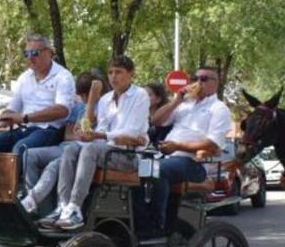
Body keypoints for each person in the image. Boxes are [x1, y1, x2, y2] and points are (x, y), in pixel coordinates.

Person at [33, 55, 149, 230]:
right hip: (106, 150)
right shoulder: (105, 99)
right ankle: (63, 206)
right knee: (71, 148)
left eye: (119, 72)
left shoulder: (140, 95)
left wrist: (98, 135)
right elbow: (101, 130)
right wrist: (90, 135)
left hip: (127, 155)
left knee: (90, 150)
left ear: (131, 74)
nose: (113, 77)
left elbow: (131, 133)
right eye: (110, 72)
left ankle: (75, 207)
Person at [149, 66, 232, 231]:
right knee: (135, 168)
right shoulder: (184, 103)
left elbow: (212, 144)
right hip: (166, 157)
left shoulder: (219, 108)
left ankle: (156, 222)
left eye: (204, 79)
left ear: (216, 83)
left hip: (193, 163)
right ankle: (140, 216)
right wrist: (177, 100)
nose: (198, 82)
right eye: (196, 78)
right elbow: (156, 121)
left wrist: (177, 146)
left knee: (157, 170)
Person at [0, 34, 75, 156]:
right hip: (24, 129)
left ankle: (16, 176)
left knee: (20, 149)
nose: (30, 58)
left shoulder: (63, 76)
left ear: (48, 53)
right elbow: (13, 108)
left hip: (49, 130)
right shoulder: (24, 77)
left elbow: (62, 110)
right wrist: (7, 116)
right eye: (26, 54)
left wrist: (25, 118)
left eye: (35, 53)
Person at [20, 72, 99, 207]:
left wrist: (83, 133)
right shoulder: (78, 107)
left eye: (86, 95)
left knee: (55, 165)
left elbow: (89, 132)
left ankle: (32, 202)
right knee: (28, 154)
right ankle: (32, 203)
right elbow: (67, 135)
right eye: (81, 95)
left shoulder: (101, 107)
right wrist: (78, 135)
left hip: (79, 152)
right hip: (64, 146)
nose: (83, 98)